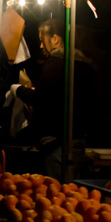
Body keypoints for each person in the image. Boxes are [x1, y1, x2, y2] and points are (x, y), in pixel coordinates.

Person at [12, 15, 95, 179]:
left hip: (57, 143)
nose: (41, 46)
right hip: (78, 139)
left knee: (55, 191)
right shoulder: (83, 65)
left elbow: (39, 97)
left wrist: (18, 90)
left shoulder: (56, 62)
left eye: (43, 40)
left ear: (56, 39)